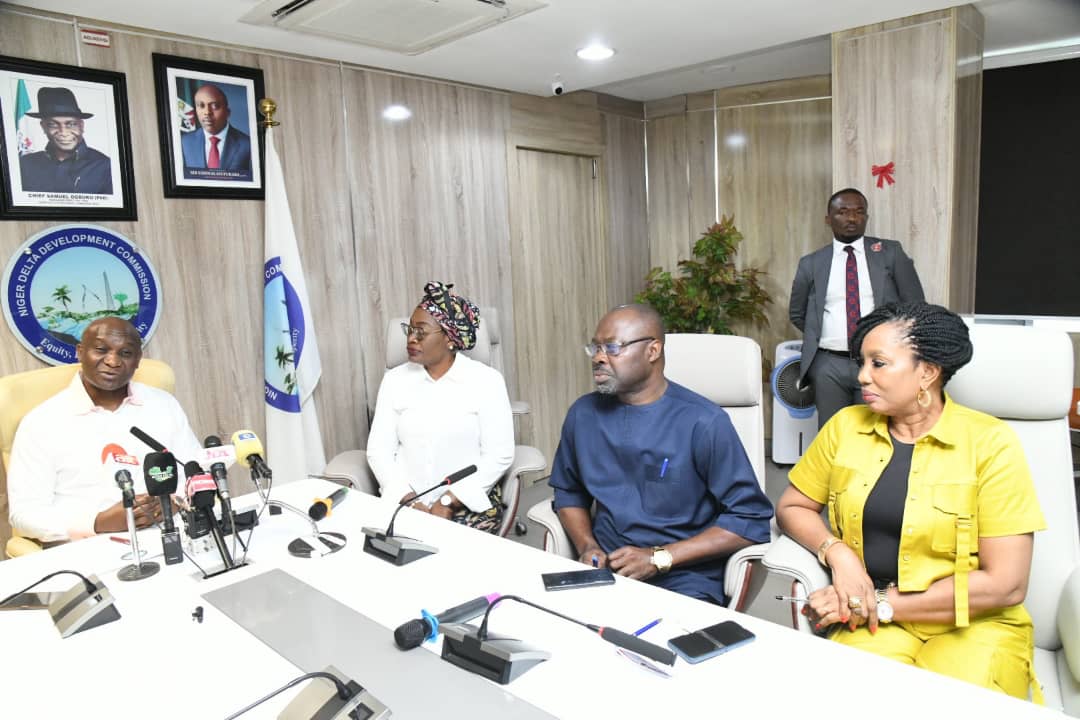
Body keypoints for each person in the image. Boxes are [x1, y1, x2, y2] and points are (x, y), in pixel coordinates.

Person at [776, 301, 1045, 701]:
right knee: (847, 698)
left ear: (928, 372)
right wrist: (838, 554)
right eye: (861, 362)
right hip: (876, 624)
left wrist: (879, 602)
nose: (862, 376)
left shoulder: (991, 443)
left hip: (973, 625)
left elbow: (1007, 584)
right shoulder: (845, 427)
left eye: (878, 363)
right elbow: (792, 506)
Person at [548, 304, 773, 603]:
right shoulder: (583, 414)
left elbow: (750, 519)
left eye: (613, 347)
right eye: (596, 347)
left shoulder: (704, 422)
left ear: (653, 351)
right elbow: (569, 492)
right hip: (608, 569)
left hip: (684, 577)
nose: (600, 358)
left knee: (667, 645)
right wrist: (587, 544)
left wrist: (659, 558)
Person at [7, 317, 202, 545]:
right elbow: (24, 514)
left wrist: (173, 503)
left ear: (138, 360)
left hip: (170, 537)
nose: (112, 361)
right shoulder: (41, 422)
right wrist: (98, 522)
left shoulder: (163, 404)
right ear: (80, 352)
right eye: (101, 350)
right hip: (89, 551)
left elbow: (194, 471)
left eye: (126, 353)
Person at [366, 282, 514, 533]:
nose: (411, 338)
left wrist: (448, 502)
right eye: (409, 329)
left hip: (465, 504)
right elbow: (378, 452)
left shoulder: (486, 381)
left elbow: (499, 455)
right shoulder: (395, 381)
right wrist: (410, 500)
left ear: (449, 338)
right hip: (405, 502)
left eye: (421, 332)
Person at [789, 188, 924, 428]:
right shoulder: (812, 263)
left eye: (859, 212)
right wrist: (826, 339)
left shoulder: (889, 253)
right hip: (828, 364)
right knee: (832, 432)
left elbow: (915, 305)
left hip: (880, 360)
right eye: (843, 212)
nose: (852, 218)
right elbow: (798, 313)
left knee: (878, 429)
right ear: (828, 218)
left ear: (867, 218)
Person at [18, 87, 112, 195]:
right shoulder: (25, 165)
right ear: (43, 127)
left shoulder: (105, 166)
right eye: (53, 124)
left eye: (71, 124)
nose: (63, 132)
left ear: (81, 126)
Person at [180, 83, 252, 178]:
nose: (207, 112)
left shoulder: (247, 144)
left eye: (215, 106)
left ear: (228, 112)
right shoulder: (184, 142)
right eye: (201, 106)